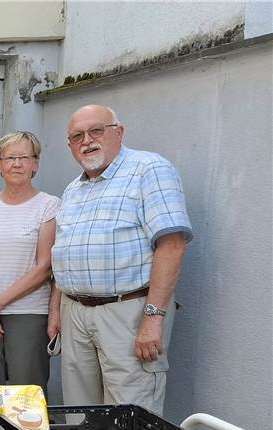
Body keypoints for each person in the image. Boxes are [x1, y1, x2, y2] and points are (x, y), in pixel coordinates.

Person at [51, 105, 192, 414]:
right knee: (80, 415)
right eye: (77, 136)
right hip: (75, 313)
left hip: (128, 312)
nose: (87, 141)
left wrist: (153, 318)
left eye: (96, 131)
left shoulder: (149, 169)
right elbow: (65, 253)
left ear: (119, 132)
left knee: (129, 416)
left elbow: (172, 245)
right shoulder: (74, 189)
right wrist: (58, 311)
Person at [0, 131, 61, 409]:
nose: (17, 164)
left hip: (28, 313)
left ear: (35, 164)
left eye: (24, 157)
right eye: (10, 158)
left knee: (27, 395)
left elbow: (44, 267)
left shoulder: (48, 205)